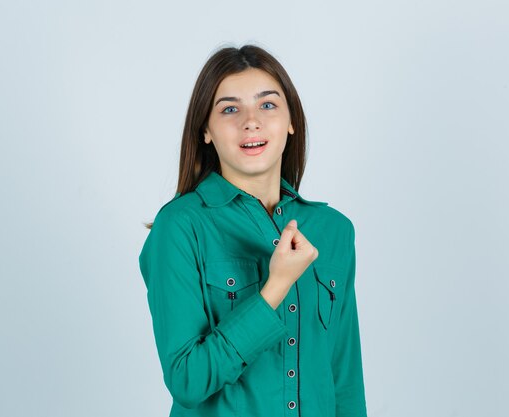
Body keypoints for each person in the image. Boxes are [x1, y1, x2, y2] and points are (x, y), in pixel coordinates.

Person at [139, 44, 368, 417]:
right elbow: (187, 381)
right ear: (206, 132)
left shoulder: (333, 231)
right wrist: (275, 287)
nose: (251, 121)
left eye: (267, 104)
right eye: (230, 109)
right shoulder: (179, 228)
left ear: (291, 121)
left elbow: (344, 381)